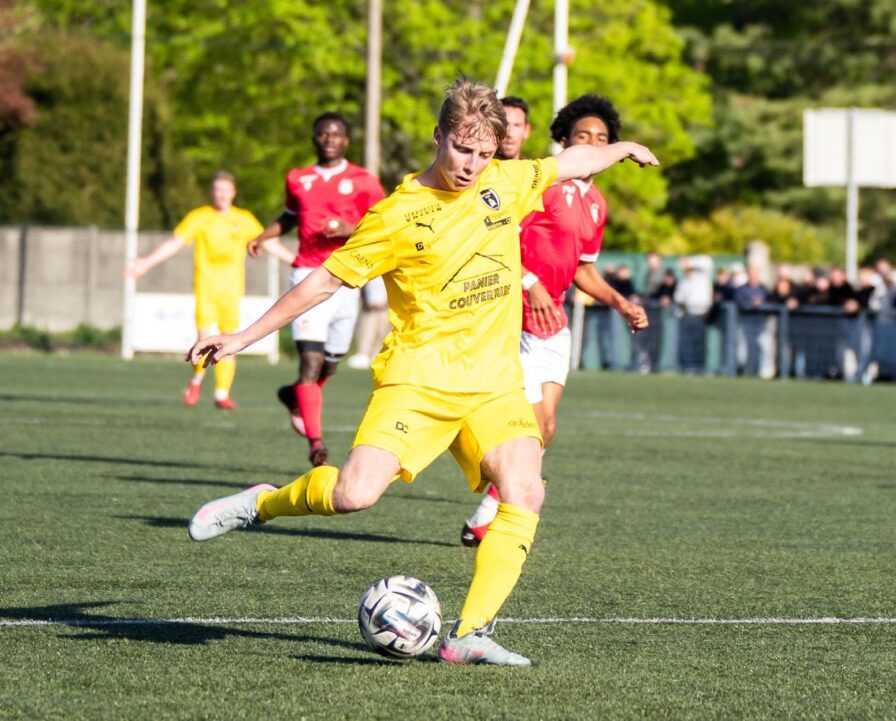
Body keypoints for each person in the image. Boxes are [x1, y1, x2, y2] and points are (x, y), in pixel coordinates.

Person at [184, 78, 659, 666]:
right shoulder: (398, 215)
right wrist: (240, 338)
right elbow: (324, 281)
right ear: (438, 137)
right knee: (354, 494)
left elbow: (572, 160)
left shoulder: (503, 183)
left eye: (484, 153)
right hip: (419, 381)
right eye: (462, 149)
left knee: (525, 490)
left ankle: (470, 634)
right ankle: (263, 503)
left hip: (492, 383)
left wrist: (623, 149)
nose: (471, 165)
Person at [460, 94, 648, 547]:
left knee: (546, 428)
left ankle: (484, 515)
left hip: (553, 322)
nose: (592, 144)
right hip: (511, 316)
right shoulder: (537, 184)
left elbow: (583, 269)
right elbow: (495, 241)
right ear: (563, 140)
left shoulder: (596, 204)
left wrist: (621, 303)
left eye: (602, 139)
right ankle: (497, 511)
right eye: (583, 136)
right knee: (525, 426)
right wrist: (529, 282)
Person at [248, 112, 387, 467]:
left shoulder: (363, 181)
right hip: (308, 275)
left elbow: (384, 225)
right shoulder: (298, 178)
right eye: (323, 133)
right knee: (310, 360)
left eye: (336, 133)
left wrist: (348, 230)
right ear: (314, 137)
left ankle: (295, 396)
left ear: (346, 140)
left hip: (346, 279)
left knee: (330, 364)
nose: (329, 138)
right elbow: (290, 215)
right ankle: (315, 443)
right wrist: (265, 235)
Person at [125, 171, 266, 409]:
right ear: (212, 192)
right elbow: (175, 242)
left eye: (226, 190)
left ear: (233, 192)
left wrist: (299, 260)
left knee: (230, 341)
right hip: (206, 287)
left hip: (232, 291)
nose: (221, 194)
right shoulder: (200, 217)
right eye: (217, 190)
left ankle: (221, 394)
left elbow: (268, 241)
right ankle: (197, 379)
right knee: (204, 339)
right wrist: (146, 263)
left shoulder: (244, 219)